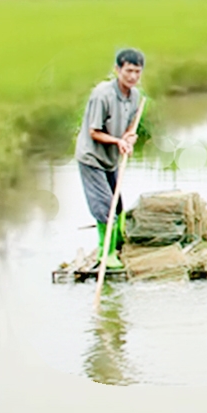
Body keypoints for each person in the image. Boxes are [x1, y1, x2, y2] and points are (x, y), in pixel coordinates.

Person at [75, 48, 145, 270]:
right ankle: (106, 254)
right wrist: (118, 142)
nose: (133, 77)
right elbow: (94, 131)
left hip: (111, 159)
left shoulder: (135, 96)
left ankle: (116, 242)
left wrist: (129, 137)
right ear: (117, 70)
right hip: (92, 157)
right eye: (128, 71)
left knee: (118, 207)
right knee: (105, 207)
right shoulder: (102, 94)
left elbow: (129, 126)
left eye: (137, 72)